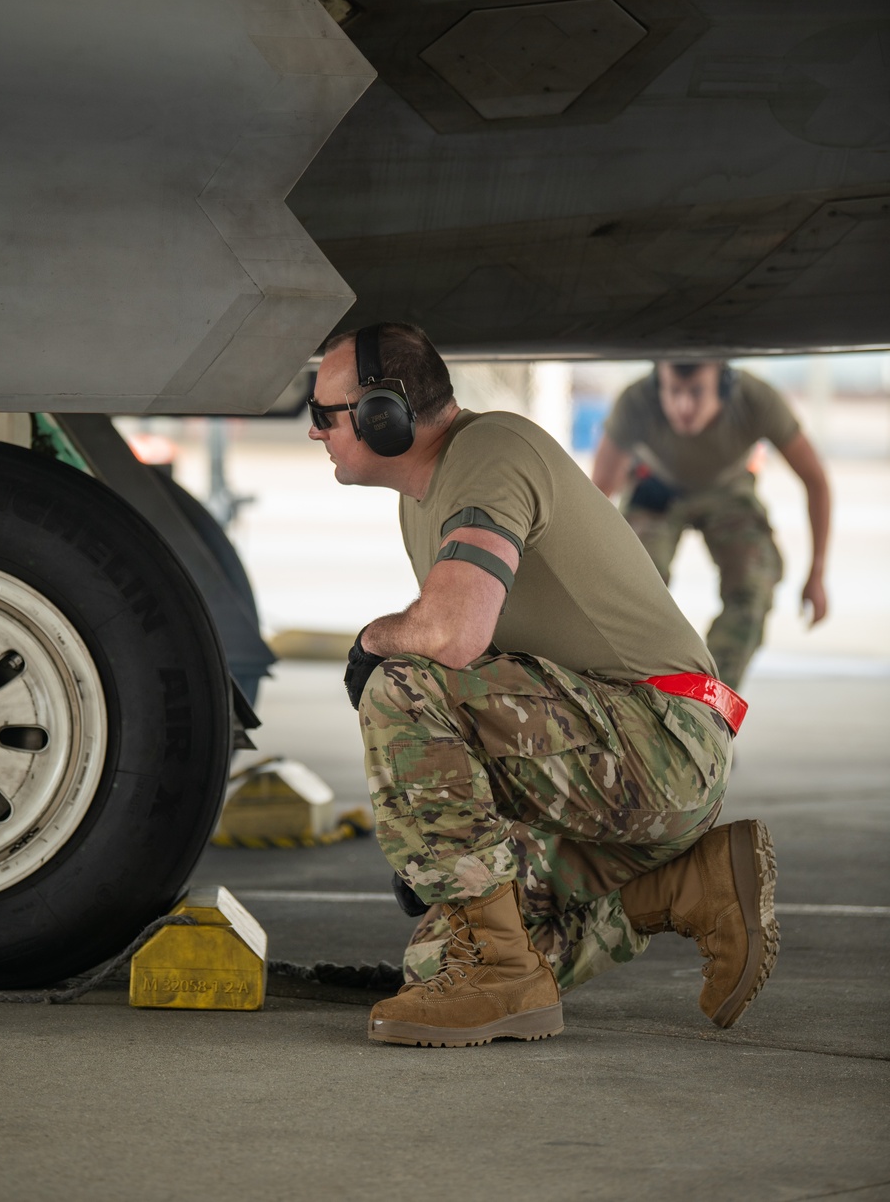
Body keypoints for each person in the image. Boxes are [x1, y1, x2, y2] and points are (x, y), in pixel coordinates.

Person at [307, 322, 778, 1049]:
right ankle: (686, 888)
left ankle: (499, 973)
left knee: (400, 683)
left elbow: (454, 637)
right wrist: (435, 834)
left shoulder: (492, 453)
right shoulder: (425, 497)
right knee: (434, 961)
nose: (315, 434)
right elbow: (485, 686)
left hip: (663, 736)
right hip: (608, 744)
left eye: (324, 415)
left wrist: (371, 642)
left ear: (383, 414)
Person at [592, 362, 831, 690]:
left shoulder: (755, 400)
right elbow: (596, 495)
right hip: (656, 487)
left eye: (696, 392)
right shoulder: (637, 401)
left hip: (727, 489)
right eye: (674, 391)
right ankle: (644, 699)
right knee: (632, 588)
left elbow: (816, 480)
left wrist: (816, 573)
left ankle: (710, 706)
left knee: (753, 587)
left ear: (723, 387)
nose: (683, 406)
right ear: (658, 386)